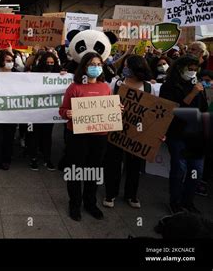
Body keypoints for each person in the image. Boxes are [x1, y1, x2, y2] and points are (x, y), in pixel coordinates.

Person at [59, 52, 115, 221]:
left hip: (99, 136)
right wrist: (67, 113)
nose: (96, 67)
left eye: (99, 64)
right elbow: (62, 111)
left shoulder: (105, 87)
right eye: (92, 64)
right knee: (76, 171)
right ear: (84, 67)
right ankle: (74, 204)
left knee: (94, 170)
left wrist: (115, 110)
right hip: (77, 136)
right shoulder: (74, 87)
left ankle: (90, 203)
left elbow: (109, 108)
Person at [103, 55, 154, 209]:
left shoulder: (149, 87)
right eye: (124, 65)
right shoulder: (116, 83)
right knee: (113, 163)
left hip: (137, 132)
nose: (124, 68)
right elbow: (106, 102)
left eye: (127, 66)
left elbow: (154, 112)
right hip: (116, 129)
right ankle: (110, 194)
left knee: (134, 165)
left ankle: (131, 195)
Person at [159, 55, 208, 214]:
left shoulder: (199, 86)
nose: (193, 72)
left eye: (195, 69)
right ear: (180, 68)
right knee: (179, 169)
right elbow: (173, 110)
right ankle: (175, 202)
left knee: (196, 170)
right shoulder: (169, 86)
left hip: (197, 135)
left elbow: (204, 109)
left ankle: (188, 201)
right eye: (190, 69)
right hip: (178, 134)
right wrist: (193, 93)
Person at [27, 52, 63, 171]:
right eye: (47, 63)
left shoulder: (58, 74)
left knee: (47, 136)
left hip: (49, 113)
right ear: (43, 63)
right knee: (34, 135)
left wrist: (64, 75)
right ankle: (33, 158)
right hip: (35, 111)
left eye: (52, 63)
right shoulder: (35, 73)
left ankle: (47, 159)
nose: (50, 65)